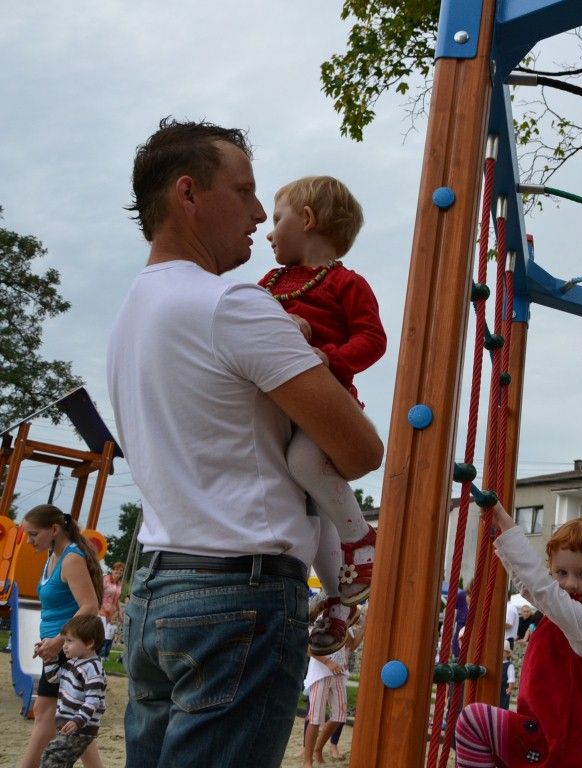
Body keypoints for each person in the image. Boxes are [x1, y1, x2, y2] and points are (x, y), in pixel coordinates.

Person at [107, 118, 383, 768]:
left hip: (157, 583)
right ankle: (354, 556)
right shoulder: (234, 304)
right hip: (239, 592)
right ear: (188, 194)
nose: (260, 214)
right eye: (245, 191)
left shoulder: (132, 315)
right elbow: (359, 451)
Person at [259, 175, 386, 655]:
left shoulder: (345, 283)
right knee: (311, 504)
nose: (269, 233)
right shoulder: (268, 284)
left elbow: (372, 339)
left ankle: (362, 538)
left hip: (325, 401)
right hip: (278, 404)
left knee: (306, 463)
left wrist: (328, 355)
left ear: (307, 219)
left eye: (278, 219)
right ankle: (337, 598)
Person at [454, 503, 582, 767]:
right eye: (561, 573)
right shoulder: (564, 617)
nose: (571, 583)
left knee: (474, 721)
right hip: (548, 737)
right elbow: (530, 587)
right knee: (475, 724)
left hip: (564, 749)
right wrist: (500, 537)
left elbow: (542, 589)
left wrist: (505, 523)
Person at [17, 504, 104, 768]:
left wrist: (57, 641)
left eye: (33, 534)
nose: (29, 540)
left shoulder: (71, 558)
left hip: (69, 649)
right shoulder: (53, 557)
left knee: (44, 712)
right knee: (69, 716)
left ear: (54, 529)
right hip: (60, 649)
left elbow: (90, 606)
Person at [39, 614, 107, 768]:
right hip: (69, 724)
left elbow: (93, 700)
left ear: (89, 643)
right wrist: (49, 658)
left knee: (53, 759)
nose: (64, 646)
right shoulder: (73, 662)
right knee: (56, 758)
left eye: (69, 641)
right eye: (64, 641)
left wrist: (78, 720)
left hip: (80, 727)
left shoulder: (92, 669)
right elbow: (53, 677)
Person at [301, 595, 355, 768]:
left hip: (339, 673)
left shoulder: (344, 623)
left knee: (340, 716)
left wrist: (364, 626)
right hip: (320, 674)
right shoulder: (321, 620)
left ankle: (318, 749)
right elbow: (309, 647)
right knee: (315, 718)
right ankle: (307, 761)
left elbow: (351, 646)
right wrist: (327, 662)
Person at [97, 562, 123, 660]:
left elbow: (117, 599)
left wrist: (120, 612)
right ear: (112, 570)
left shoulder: (119, 583)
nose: (118, 572)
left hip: (112, 613)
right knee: (101, 633)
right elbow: (98, 594)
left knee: (109, 635)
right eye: (116, 570)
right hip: (101, 611)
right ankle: (97, 655)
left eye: (121, 571)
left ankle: (103, 655)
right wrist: (102, 607)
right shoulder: (105, 580)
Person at [499, 646, 517, 710]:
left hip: (504, 689)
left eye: (503, 651)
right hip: (496, 688)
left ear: (508, 654)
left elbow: (511, 677)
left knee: (502, 705)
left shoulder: (509, 665)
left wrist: (510, 688)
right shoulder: (496, 663)